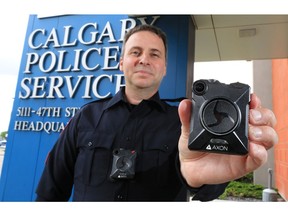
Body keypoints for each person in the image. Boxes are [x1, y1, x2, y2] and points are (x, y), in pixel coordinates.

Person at [35, 24, 278, 201]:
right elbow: (51, 191)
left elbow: (205, 189)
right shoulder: (85, 117)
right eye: (135, 52)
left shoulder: (187, 125)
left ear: (164, 68)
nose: (144, 60)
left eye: (154, 54)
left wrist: (203, 179)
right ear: (121, 63)